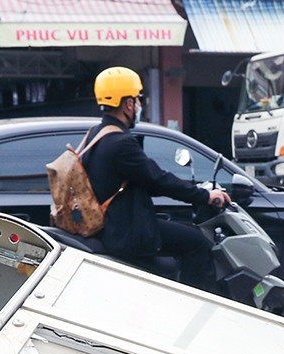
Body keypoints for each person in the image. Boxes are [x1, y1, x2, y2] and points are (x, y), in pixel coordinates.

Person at [79, 67, 228, 293]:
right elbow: (157, 180)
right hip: (124, 231)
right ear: (128, 104)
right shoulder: (120, 143)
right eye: (138, 100)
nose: (139, 105)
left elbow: (145, 180)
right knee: (196, 242)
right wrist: (204, 195)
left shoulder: (96, 134)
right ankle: (195, 304)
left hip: (110, 225)